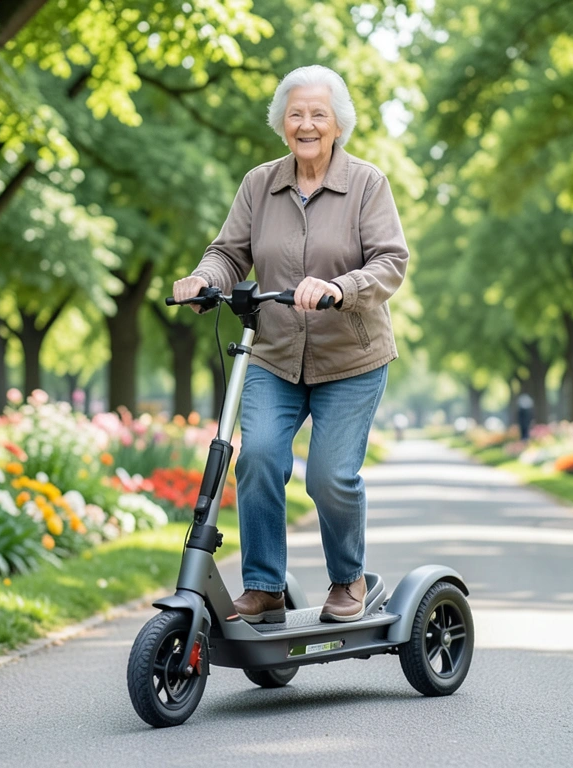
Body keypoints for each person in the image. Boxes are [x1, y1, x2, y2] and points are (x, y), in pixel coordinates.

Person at [172, 65, 408, 624]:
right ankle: (264, 587)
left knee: (328, 475)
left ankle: (348, 579)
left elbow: (390, 262)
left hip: (350, 359)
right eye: (296, 114)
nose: (306, 124)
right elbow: (228, 253)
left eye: (318, 114)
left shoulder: (367, 184)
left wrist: (338, 287)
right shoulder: (260, 184)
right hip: (275, 355)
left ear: (337, 125)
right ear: (282, 124)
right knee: (255, 458)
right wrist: (205, 279)